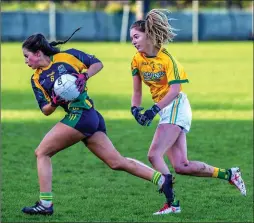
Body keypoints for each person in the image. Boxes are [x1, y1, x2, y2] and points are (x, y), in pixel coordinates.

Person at [21, 28, 175, 216]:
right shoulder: (36, 78)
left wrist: (84, 76)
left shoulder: (67, 56)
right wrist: (54, 101)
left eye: (27, 56)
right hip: (88, 117)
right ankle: (162, 180)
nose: (26, 61)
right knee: (116, 162)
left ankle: (45, 204)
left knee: (41, 152)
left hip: (82, 114)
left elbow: (97, 63)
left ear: (38, 53)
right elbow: (45, 110)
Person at [129, 9, 246, 215]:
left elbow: (175, 90)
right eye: (132, 38)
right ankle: (229, 174)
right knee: (182, 165)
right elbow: (137, 91)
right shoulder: (137, 60)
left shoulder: (168, 60)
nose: (133, 41)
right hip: (166, 109)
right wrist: (135, 109)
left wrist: (154, 109)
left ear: (149, 35)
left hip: (175, 105)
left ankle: (172, 203)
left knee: (154, 155)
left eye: (136, 37)